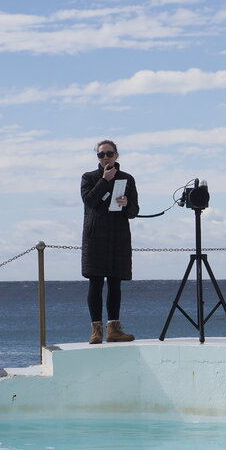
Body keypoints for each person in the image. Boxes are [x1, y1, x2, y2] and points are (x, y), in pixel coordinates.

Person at [80, 140, 139, 344]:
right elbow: (89, 201)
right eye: (101, 155)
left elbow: (134, 211)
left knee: (115, 283)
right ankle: (96, 330)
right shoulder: (89, 177)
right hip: (95, 237)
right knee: (95, 283)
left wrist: (127, 204)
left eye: (109, 154)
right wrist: (104, 180)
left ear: (116, 155)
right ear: (97, 157)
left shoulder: (127, 179)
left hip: (118, 236)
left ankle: (114, 329)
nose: (105, 158)